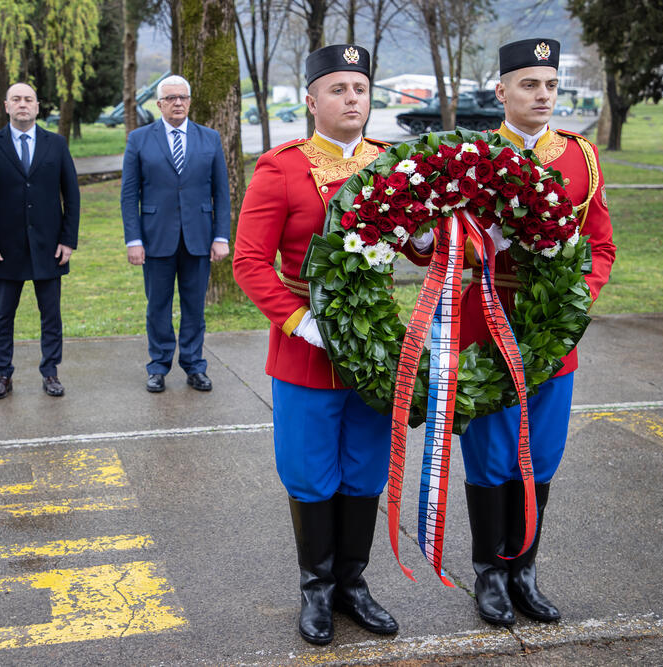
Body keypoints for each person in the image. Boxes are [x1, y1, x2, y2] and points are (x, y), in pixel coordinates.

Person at [233, 44, 435, 645]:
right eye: (340, 89)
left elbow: (416, 250)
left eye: (361, 89)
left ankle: (354, 584)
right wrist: (303, 322)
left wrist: (430, 234)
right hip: (307, 348)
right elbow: (249, 263)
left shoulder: (393, 164)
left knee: (365, 468)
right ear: (312, 100)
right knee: (310, 472)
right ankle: (316, 589)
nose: (353, 99)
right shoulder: (281, 167)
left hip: (373, 348)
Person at [458, 38, 616, 627]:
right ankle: (489, 575)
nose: (543, 95)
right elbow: (444, 247)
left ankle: (524, 571)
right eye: (529, 84)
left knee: (541, 455)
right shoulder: (471, 157)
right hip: (489, 320)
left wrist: (576, 301)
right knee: (492, 455)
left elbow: (600, 245)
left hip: (554, 335)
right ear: (502, 92)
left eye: (550, 85)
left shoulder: (580, 157)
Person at [120, 75, 231, 394]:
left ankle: (195, 366)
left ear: (190, 101)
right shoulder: (139, 139)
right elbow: (130, 195)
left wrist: (221, 236)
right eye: (170, 98)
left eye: (183, 97)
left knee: (195, 306)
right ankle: (158, 366)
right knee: (158, 305)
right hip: (155, 239)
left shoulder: (209, 138)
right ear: (158, 104)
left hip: (199, 237)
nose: (177, 102)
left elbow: (221, 193)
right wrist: (134, 239)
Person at [0, 83, 80, 400]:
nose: (23, 104)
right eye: (16, 99)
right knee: (2, 316)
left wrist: (68, 240)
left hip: (50, 246)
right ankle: (3, 374)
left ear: (37, 106)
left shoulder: (56, 144)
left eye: (28, 99)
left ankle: (50, 372)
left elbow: (71, 195)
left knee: (51, 315)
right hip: (5, 249)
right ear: (6, 106)